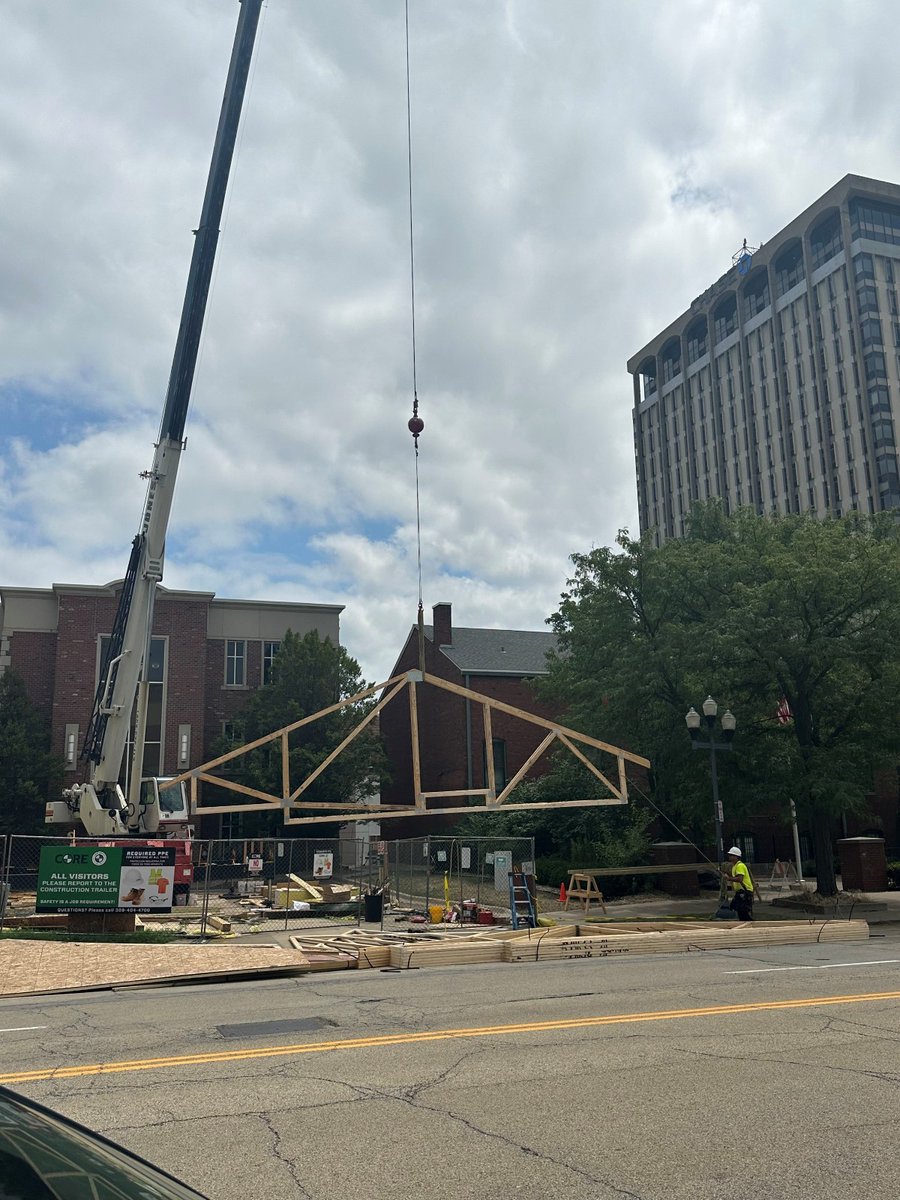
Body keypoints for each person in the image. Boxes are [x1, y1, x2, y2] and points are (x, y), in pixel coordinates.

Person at [726, 845, 755, 921]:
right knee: (737, 908)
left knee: (742, 911)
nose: (730, 857)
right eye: (729, 855)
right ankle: (746, 923)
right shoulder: (735, 866)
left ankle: (750, 924)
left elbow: (739, 879)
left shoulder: (740, 866)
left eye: (732, 855)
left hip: (745, 891)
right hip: (741, 892)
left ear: (736, 856)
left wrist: (729, 878)